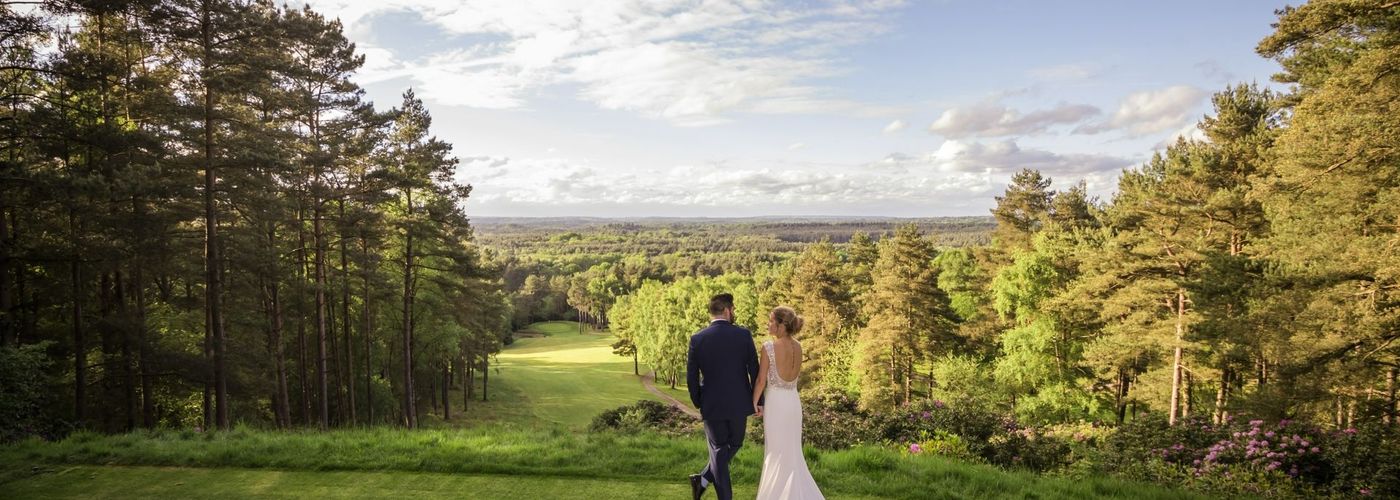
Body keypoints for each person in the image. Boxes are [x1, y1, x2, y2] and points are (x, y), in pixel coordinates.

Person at [687, 293, 761, 500]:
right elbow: (754, 370)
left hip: (712, 404)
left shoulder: (697, 339)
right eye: (733, 310)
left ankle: (701, 479)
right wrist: (759, 401)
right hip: (739, 403)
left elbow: (691, 376)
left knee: (727, 448)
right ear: (728, 311)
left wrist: (698, 401)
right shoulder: (744, 335)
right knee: (725, 448)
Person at [753, 306, 824, 499]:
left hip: (776, 403)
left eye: (770, 321)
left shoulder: (768, 347)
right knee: (792, 452)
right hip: (793, 402)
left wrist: (754, 402)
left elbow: (761, 380)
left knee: (776, 452)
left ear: (781, 325)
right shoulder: (798, 346)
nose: (768, 324)